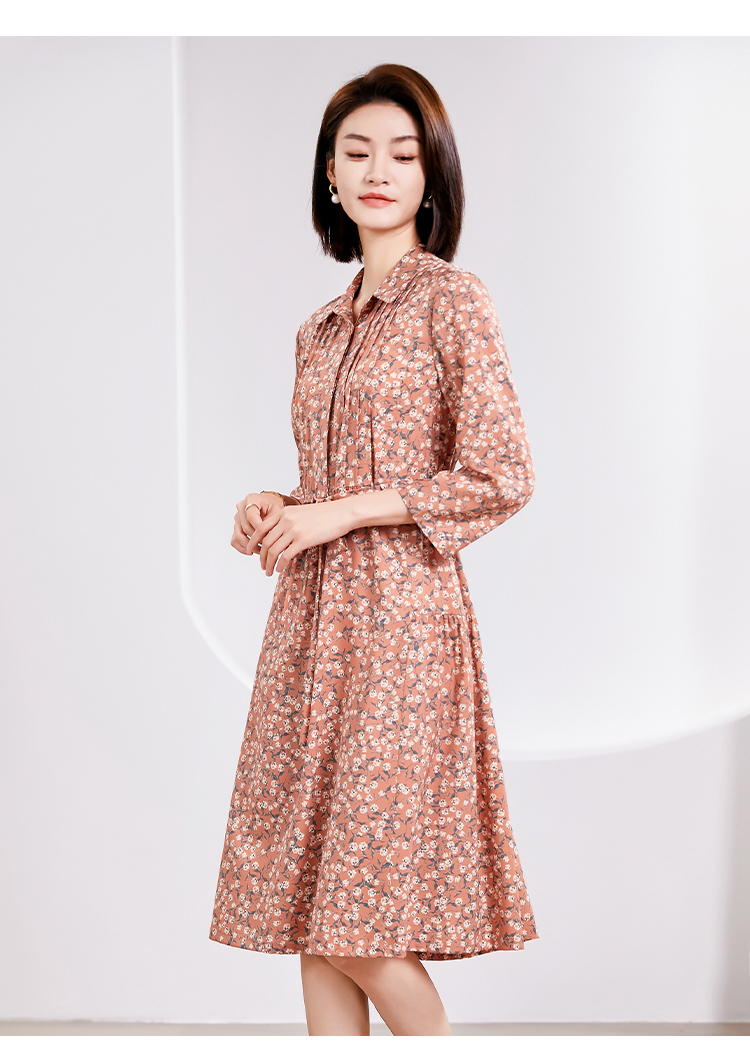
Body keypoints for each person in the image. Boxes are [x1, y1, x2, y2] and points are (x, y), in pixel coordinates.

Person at [210, 63, 538, 1037]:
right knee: (317, 907)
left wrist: (343, 513)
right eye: (356, 152)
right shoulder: (318, 330)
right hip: (310, 628)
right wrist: (277, 505)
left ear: (431, 175)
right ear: (330, 175)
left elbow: (502, 472)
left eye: (401, 152)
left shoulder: (452, 301)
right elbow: (327, 482)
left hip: (401, 628)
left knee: (357, 917)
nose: (378, 170)